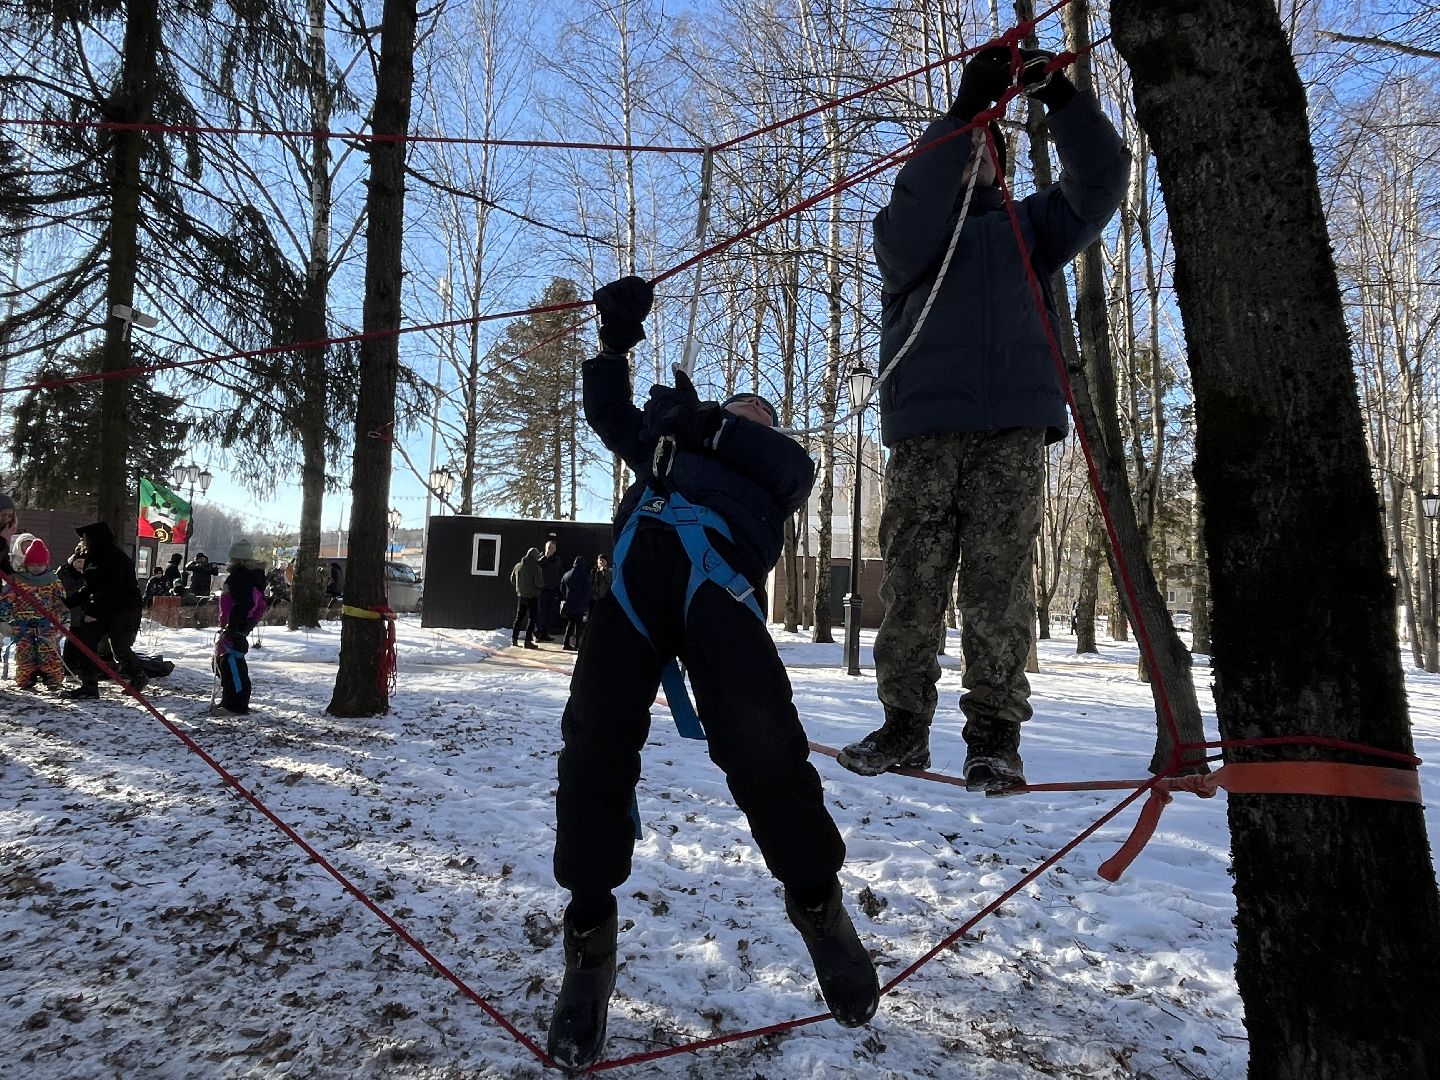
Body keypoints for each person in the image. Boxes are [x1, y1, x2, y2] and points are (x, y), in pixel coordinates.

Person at [547, 276, 878, 1070]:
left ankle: (819, 908)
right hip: (631, 581)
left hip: (714, 584)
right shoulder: (665, 444)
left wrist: (706, 423)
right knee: (592, 744)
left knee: (764, 744)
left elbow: (781, 456)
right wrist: (615, 344)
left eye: (752, 413)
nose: (743, 416)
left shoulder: (780, 466)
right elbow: (607, 414)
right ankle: (589, 943)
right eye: (734, 408)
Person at [836, 45, 1129, 793]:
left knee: (998, 585)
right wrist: (962, 117)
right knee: (914, 580)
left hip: (1011, 432)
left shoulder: (1035, 230)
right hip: (926, 433)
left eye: (984, 153)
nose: (972, 162)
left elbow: (1103, 180)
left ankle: (995, 736)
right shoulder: (907, 245)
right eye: (961, 154)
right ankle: (904, 723)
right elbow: (911, 218)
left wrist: (1059, 97)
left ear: (1001, 167)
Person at [62, 521, 148, 697]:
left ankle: (138, 675)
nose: (83, 542)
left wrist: (94, 613)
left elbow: (112, 589)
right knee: (85, 641)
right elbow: (92, 587)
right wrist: (68, 602)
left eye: (85, 538)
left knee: (120, 647)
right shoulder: (93, 557)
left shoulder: (114, 558)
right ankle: (89, 685)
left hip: (124, 609)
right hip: (104, 608)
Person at [214, 539, 267, 715]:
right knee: (226, 665)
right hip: (238, 628)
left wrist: (234, 626)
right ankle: (230, 700)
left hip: (234, 628)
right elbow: (260, 606)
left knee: (232, 667)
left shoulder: (240, 577)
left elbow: (244, 603)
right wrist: (249, 624)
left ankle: (235, 705)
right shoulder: (254, 578)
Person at [5, 540, 67, 692]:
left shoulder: (53, 581)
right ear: (26, 564)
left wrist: (65, 619)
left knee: (49, 652)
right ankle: (26, 677)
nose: (36, 568)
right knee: (24, 652)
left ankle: (52, 678)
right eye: (32, 565)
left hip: (47, 625)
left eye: (40, 565)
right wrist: (3, 619)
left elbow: (62, 602)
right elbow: (7, 600)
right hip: (22, 625)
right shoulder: (17, 581)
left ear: (46, 565)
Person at [510, 547, 542, 650]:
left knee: (519, 618)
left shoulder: (518, 566)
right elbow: (539, 583)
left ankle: (514, 639)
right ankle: (528, 641)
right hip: (532, 597)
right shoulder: (536, 568)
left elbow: (512, 579)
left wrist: (519, 588)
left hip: (521, 596)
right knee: (532, 619)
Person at [558, 555, 592, 652]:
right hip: (580, 604)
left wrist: (566, 597)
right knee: (579, 625)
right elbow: (588, 590)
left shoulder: (567, 574)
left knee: (570, 624)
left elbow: (562, 588)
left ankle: (566, 643)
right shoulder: (585, 575)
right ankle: (578, 644)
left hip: (570, 604)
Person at [537, 539, 562, 642]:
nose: (551, 550)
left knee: (549, 613)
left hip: (553, 590)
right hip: (542, 590)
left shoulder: (557, 560)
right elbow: (537, 568)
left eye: (553, 548)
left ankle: (545, 633)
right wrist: (545, 557)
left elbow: (561, 573)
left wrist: (557, 585)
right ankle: (538, 633)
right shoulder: (541, 558)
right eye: (549, 548)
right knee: (541, 612)